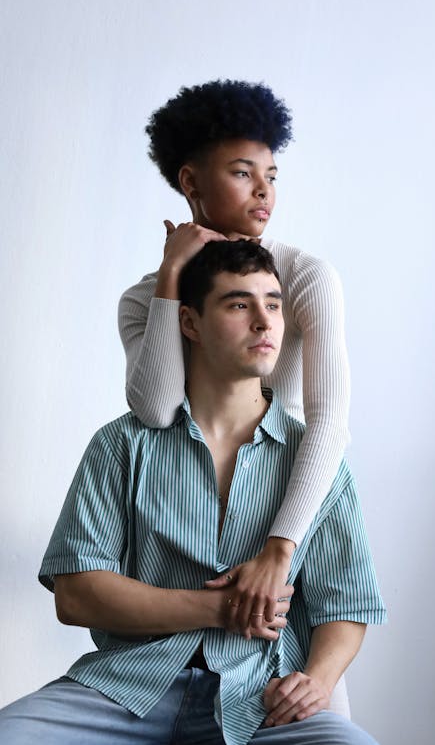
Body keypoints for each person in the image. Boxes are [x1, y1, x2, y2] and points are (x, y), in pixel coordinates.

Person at [0, 241, 386, 745]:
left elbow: (347, 603)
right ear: (190, 323)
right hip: (125, 689)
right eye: (239, 304)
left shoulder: (315, 461)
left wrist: (318, 681)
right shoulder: (122, 443)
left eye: (273, 303)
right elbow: (76, 595)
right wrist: (220, 609)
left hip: (258, 701)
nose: (265, 322)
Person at [118, 79, 352, 631]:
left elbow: (328, 422)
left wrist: (280, 548)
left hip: (300, 504)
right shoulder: (142, 300)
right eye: (243, 173)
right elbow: (156, 410)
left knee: (313, 702)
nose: (264, 192)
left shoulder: (305, 278)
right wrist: (173, 278)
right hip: (195, 511)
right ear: (191, 182)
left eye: (271, 176)